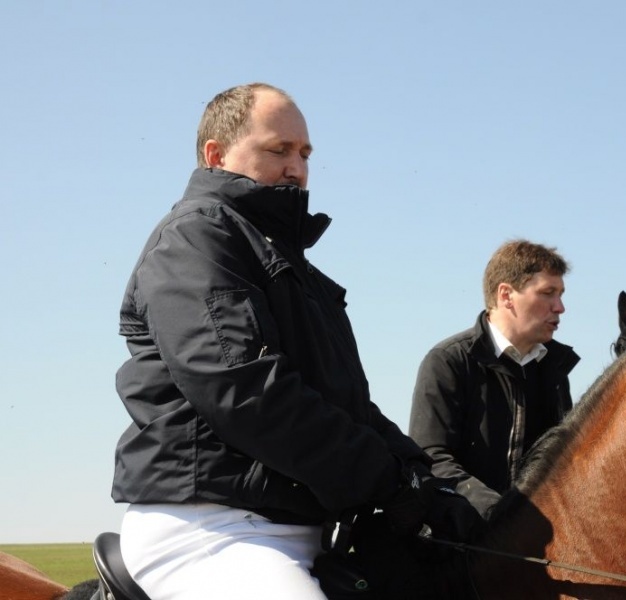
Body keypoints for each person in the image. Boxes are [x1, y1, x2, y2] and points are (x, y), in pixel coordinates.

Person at [111, 82, 474, 600]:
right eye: (277, 150)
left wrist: (422, 476)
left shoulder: (294, 267)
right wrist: (385, 480)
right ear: (217, 154)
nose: (297, 168)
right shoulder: (195, 237)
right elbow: (245, 393)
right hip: (213, 531)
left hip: (303, 531)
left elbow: (345, 404)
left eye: (304, 153)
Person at [408, 240, 580, 518]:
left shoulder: (555, 371)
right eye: (548, 293)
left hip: (531, 543)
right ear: (506, 295)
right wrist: (497, 513)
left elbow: (564, 466)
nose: (560, 307)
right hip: (457, 542)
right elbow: (431, 457)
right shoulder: (448, 360)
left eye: (560, 294)